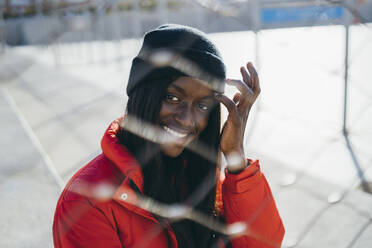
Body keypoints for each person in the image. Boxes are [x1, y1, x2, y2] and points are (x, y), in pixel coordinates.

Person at [53, 24, 284, 248]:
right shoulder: (86, 200)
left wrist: (236, 158)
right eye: (172, 98)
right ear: (143, 94)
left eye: (202, 105)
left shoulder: (200, 179)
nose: (186, 119)